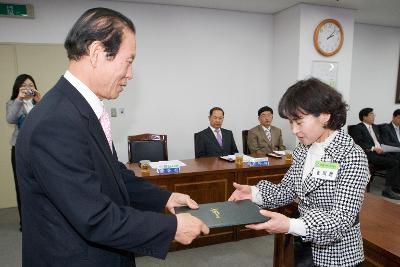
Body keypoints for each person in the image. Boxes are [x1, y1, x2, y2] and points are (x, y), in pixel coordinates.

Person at [16, 8, 208, 267]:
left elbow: (111, 173)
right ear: (96, 53)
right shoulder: (56, 121)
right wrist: (171, 228)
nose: (130, 74)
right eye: (128, 61)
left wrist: (163, 198)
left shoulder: (78, 108)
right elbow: (94, 218)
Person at [229, 78, 369, 267]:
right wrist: (254, 192)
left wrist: (291, 225)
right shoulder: (304, 148)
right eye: (291, 122)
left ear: (325, 115)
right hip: (304, 245)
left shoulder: (351, 155)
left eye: (299, 122)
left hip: (337, 255)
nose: (294, 130)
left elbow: (341, 219)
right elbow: (288, 189)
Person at [6, 73, 41, 231]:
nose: (28, 88)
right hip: (18, 149)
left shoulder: (38, 102)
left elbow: (47, 119)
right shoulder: (13, 102)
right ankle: (25, 222)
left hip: (38, 148)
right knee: (21, 185)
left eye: (31, 85)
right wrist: (20, 99)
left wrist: (40, 101)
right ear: (18, 88)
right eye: (24, 86)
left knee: (40, 183)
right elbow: (11, 119)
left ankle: (40, 218)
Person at [352, 108, 400, 200]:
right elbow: (358, 143)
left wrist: (384, 147)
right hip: (369, 153)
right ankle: (387, 190)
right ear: (364, 117)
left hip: (381, 151)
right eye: (371, 115)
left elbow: (384, 134)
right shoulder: (358, 128)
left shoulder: (375, 127)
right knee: (394, 163)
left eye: (373, 115)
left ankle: (396, 187)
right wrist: (374, 148)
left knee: (397, 158)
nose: (374, 116)